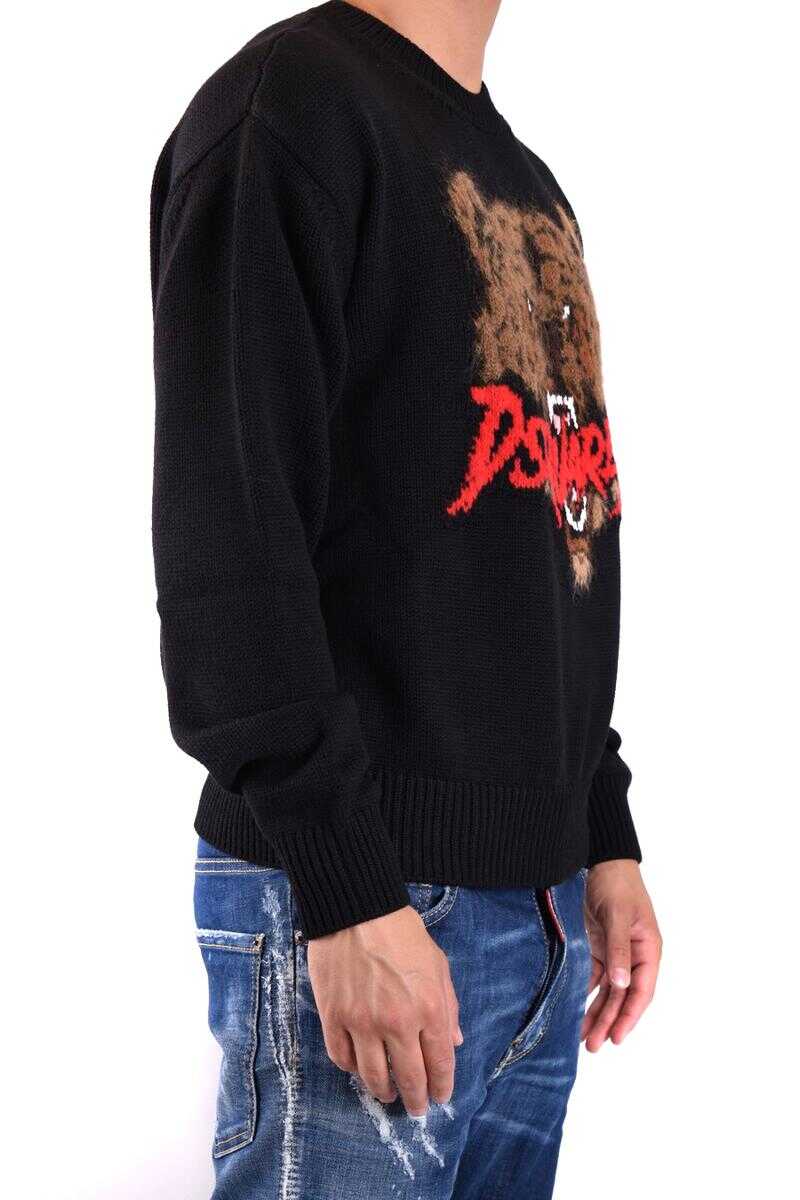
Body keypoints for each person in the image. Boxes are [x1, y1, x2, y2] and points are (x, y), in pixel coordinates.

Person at [151, 2, 662, 1196]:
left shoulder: (519, 176)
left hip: (536, 909)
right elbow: (228, 531)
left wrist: (596, 824)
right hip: (374, 900)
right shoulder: (288, 111)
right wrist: (346, 890)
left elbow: (539, 536)